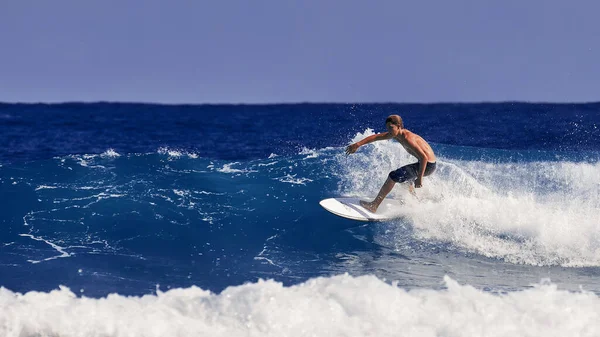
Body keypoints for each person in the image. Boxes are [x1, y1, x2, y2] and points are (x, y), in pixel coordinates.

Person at [345, 115, 436, 213]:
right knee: (405, 180)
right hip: (426, 164)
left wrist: (419, 178)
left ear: (399, 126)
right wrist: (357, 144)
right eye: (387, 128)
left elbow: (424, 157)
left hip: (427, 165)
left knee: (393, 176)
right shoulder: (395, 134)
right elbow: (376, 137)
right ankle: (415, 203)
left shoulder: (408, 139)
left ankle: (374, 206)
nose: (389, 130)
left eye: (391, 128)